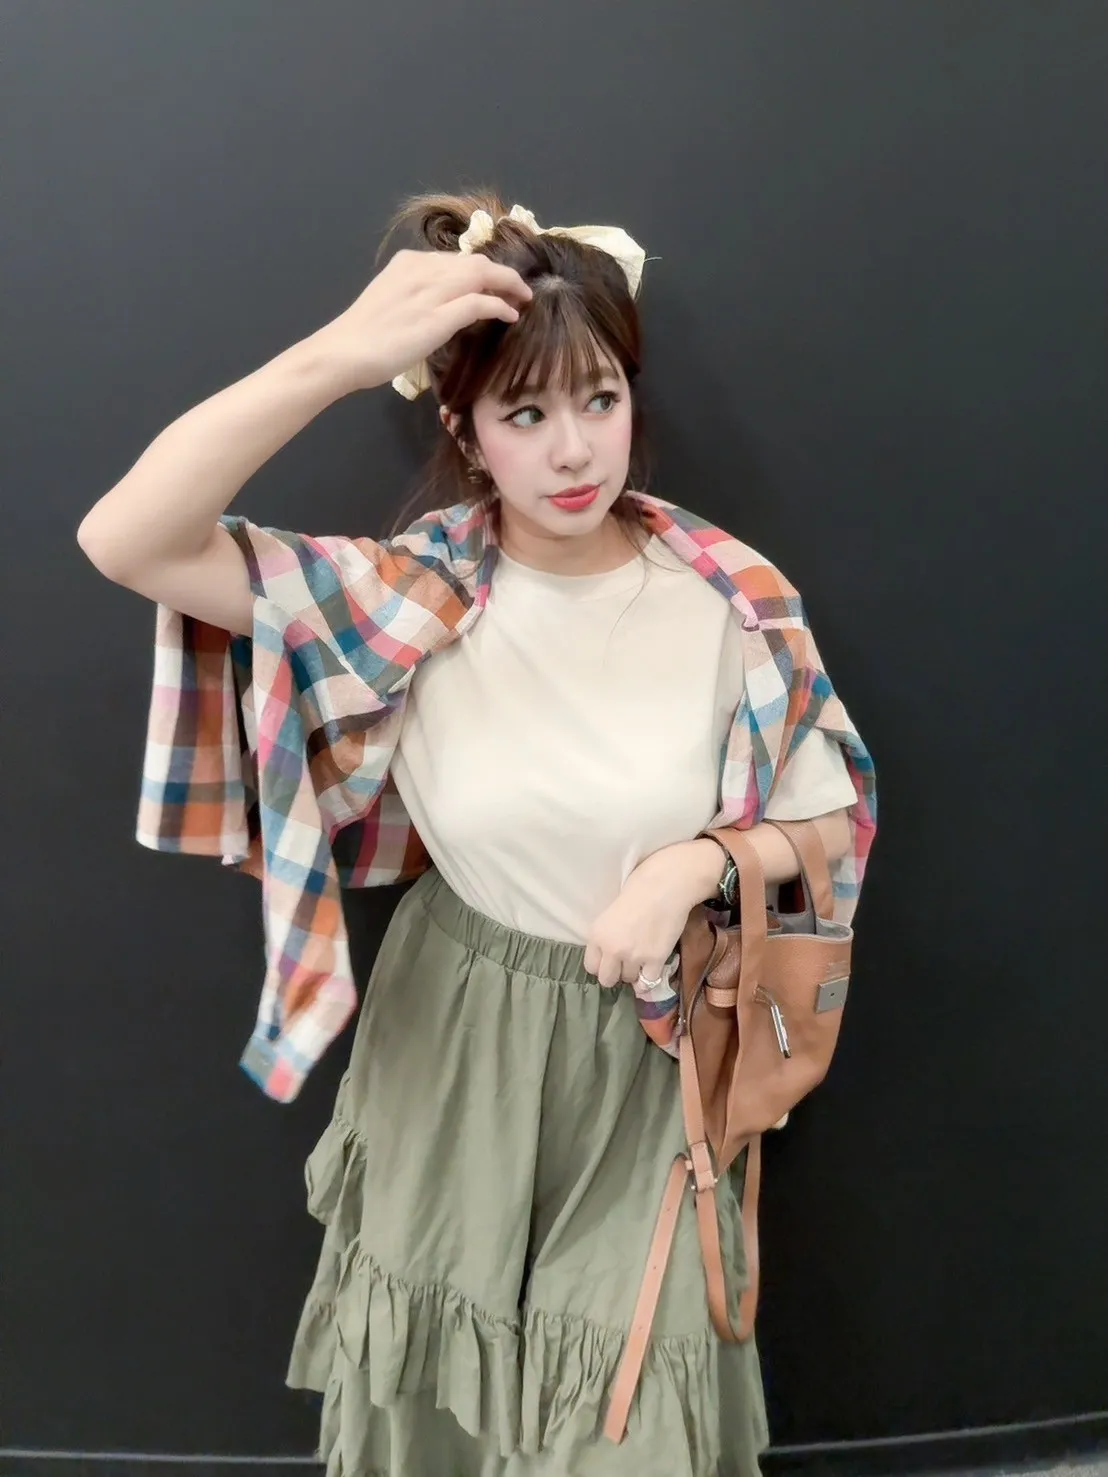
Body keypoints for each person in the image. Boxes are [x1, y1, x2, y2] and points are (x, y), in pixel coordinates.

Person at [78, 189, 878, 1477]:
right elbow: (125, 539)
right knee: (439, 1418)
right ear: (466, 431)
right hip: (458, 1031)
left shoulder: (726, 595)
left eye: (599, 400)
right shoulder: (409, 598)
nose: (573, 451)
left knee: (629, 1421)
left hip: (651, 1049)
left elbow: (831, 811)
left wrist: (695, 867)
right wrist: (340, 355)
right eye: (526, 414)